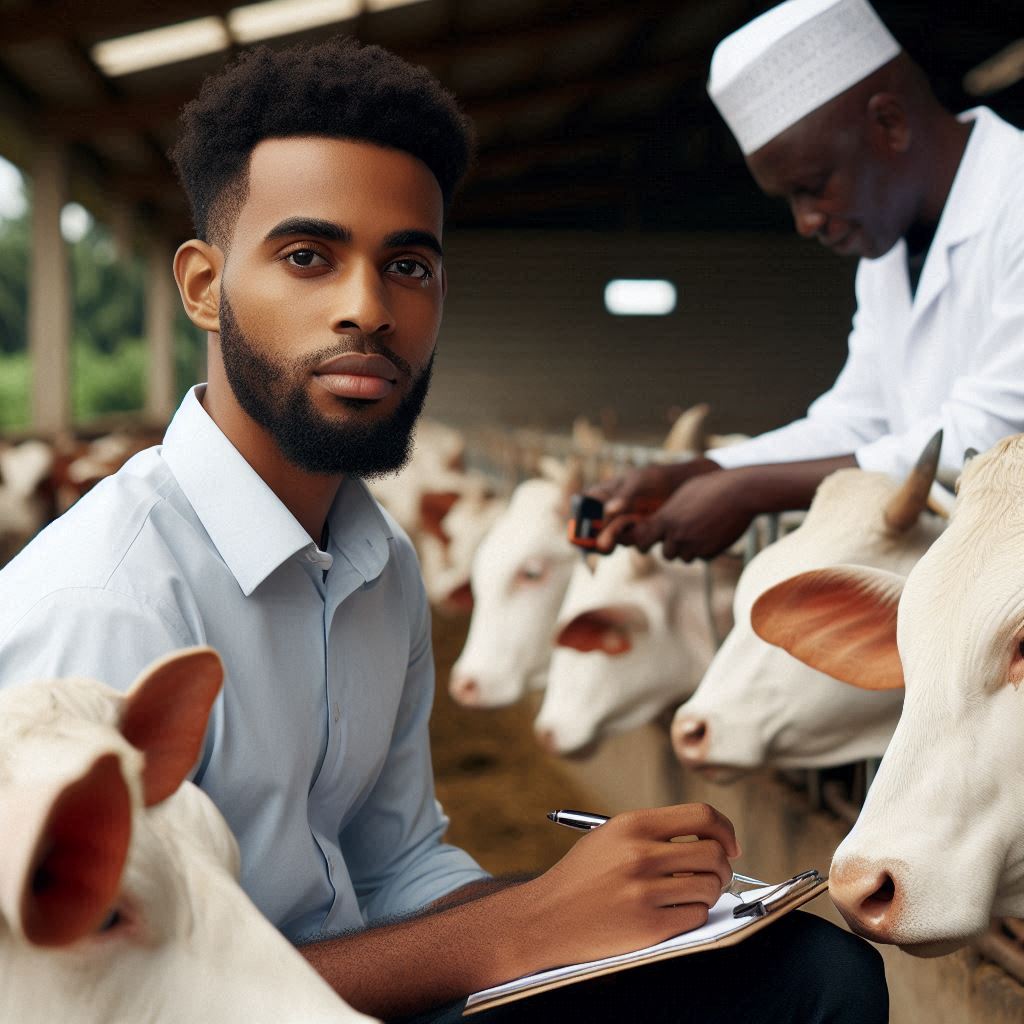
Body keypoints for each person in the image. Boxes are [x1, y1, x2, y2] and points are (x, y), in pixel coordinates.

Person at [0, 36, 886, 1024]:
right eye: (307, 256)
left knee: (811, 972)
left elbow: (397, 863)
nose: (367, 309)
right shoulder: (101, 608)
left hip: (380, 994)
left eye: (408, 264)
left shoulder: (378, 561)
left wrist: (608, 902)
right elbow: (99, 998)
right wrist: (525, 925)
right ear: (204, 285)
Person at [593, 0, 1024, 562]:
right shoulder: (886, 254)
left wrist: (750, 491)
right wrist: (700, 472)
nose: (805, 222)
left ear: (890, 124)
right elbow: (858, 420)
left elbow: (993, 438)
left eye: (813, 186)